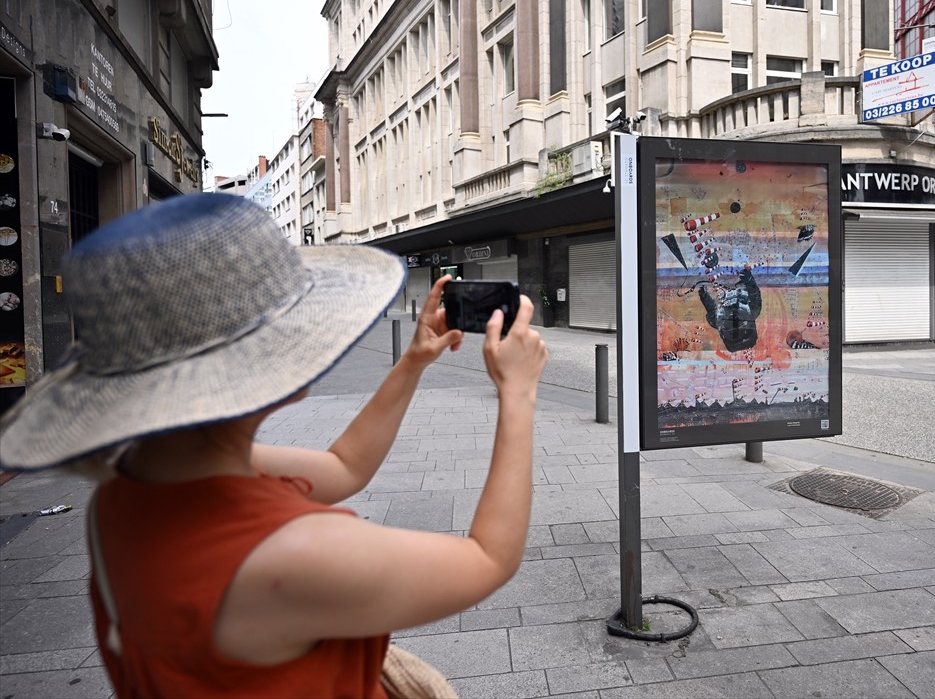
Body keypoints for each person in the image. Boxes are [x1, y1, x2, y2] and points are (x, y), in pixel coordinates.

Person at [0, 193, 548, 698]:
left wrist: (412, 362)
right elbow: (488, 559)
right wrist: (518, 395)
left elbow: (343, 465)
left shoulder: (130, 486)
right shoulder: (291, 554)